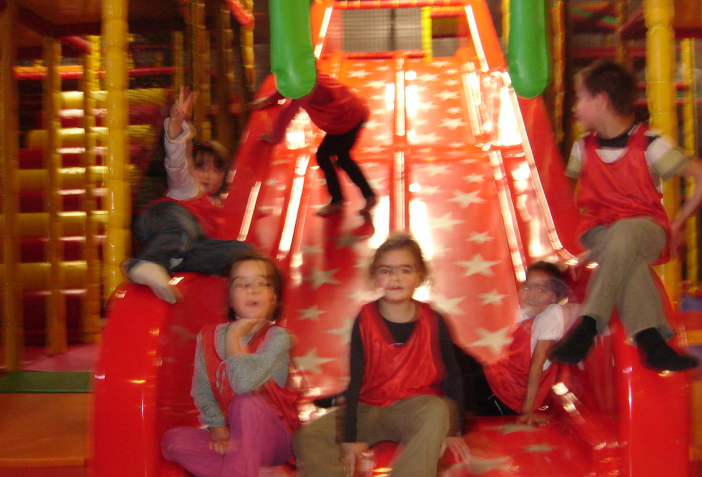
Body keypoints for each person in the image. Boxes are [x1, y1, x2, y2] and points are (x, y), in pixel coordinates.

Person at [551, 60, 702, 372]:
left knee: (625, 233)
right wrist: (582, 249)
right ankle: (653, 343)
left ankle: (588, 325)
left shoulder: (650, 144)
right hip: (600, 232)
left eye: (580, 97)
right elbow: (571, 202)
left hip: (645, 229)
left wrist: (678, 223)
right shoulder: (582, 148)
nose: (575, 107)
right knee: (627, 257)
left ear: (601, 101)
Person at [292, 232, 470, 477]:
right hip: (368, 408)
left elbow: (453, 378)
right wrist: (349, 437)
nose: (396, 278)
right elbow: (355, 381)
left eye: (406, 270)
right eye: (386, 271)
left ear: (419, 275)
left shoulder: (434, 320)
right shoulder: (364, 319)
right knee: (308, 435)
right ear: (375, 276)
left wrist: (453, 431)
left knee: (438, 410)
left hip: (413, 409)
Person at [161, 252, 300, 477]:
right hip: (233, 436)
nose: (252, 290)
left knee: (245, 403)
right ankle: (259, 471)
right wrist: (218, 431)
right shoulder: (209, 337)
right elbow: (203, 391)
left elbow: (243, 385)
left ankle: (245, 467)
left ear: (274, 297)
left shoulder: (278, 338)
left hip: (274, 440)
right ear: (230, 299)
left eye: (262, 284)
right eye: (242, 284)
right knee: (174, 441)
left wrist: (234, 335)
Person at [124, 89, 252, 304]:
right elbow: (178, 163)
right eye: (201, 168)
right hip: (161, 222)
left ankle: (168, 262)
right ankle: (146, 263)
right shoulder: (187, 188)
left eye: (215, 170)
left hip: (186, 249)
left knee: (242, 251)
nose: (208, 175)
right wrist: (177, 130)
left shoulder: (219, 208)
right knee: (184, 226)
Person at [252, 72, 377, 217]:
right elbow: (288, 89)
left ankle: (338, 201)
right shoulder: (308, 76)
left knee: (324, 157)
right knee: (342, 158)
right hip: (356, 111)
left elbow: (289, 111)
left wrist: (275, 136)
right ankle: (367, 196)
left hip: (346, 120)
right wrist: (269, 99)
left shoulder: (304, 89)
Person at [482, 261, 578, 425]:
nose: (531, 294)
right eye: (528, 287)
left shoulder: (551, 315)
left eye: (541, 290)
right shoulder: (523, 311)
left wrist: (527, 412)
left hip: (504, 396)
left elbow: (537, 363)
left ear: (554, 297)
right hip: (495, 382)